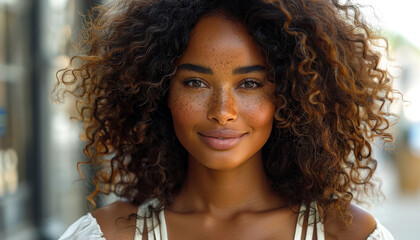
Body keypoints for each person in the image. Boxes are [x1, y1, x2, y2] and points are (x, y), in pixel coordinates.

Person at [56, 0, 396, 239]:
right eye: (195, 82)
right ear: (160, 92)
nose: (222, 110)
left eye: (249, 84)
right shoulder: (109, 235)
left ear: (290, 96)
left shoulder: (347, 234)